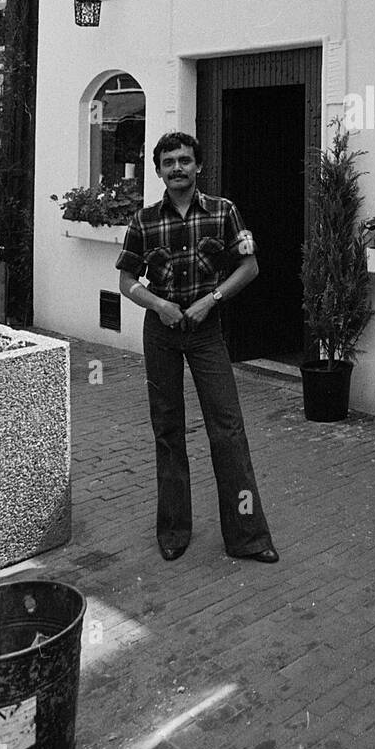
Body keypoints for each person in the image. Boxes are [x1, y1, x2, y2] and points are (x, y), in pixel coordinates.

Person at [117, 131, 278, 564]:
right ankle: (173, 531)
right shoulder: (143, 220)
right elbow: (126, 281)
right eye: (168, 162)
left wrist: (213, 299)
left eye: (184, 160)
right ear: (158, 171)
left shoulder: (224, 212)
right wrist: (158, 304)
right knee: (168, 431)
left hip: (206, 332)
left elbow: (250, 266)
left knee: (227, 429)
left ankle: (248, 537)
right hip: (162, 332)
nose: (177, 169)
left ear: (198, 166)